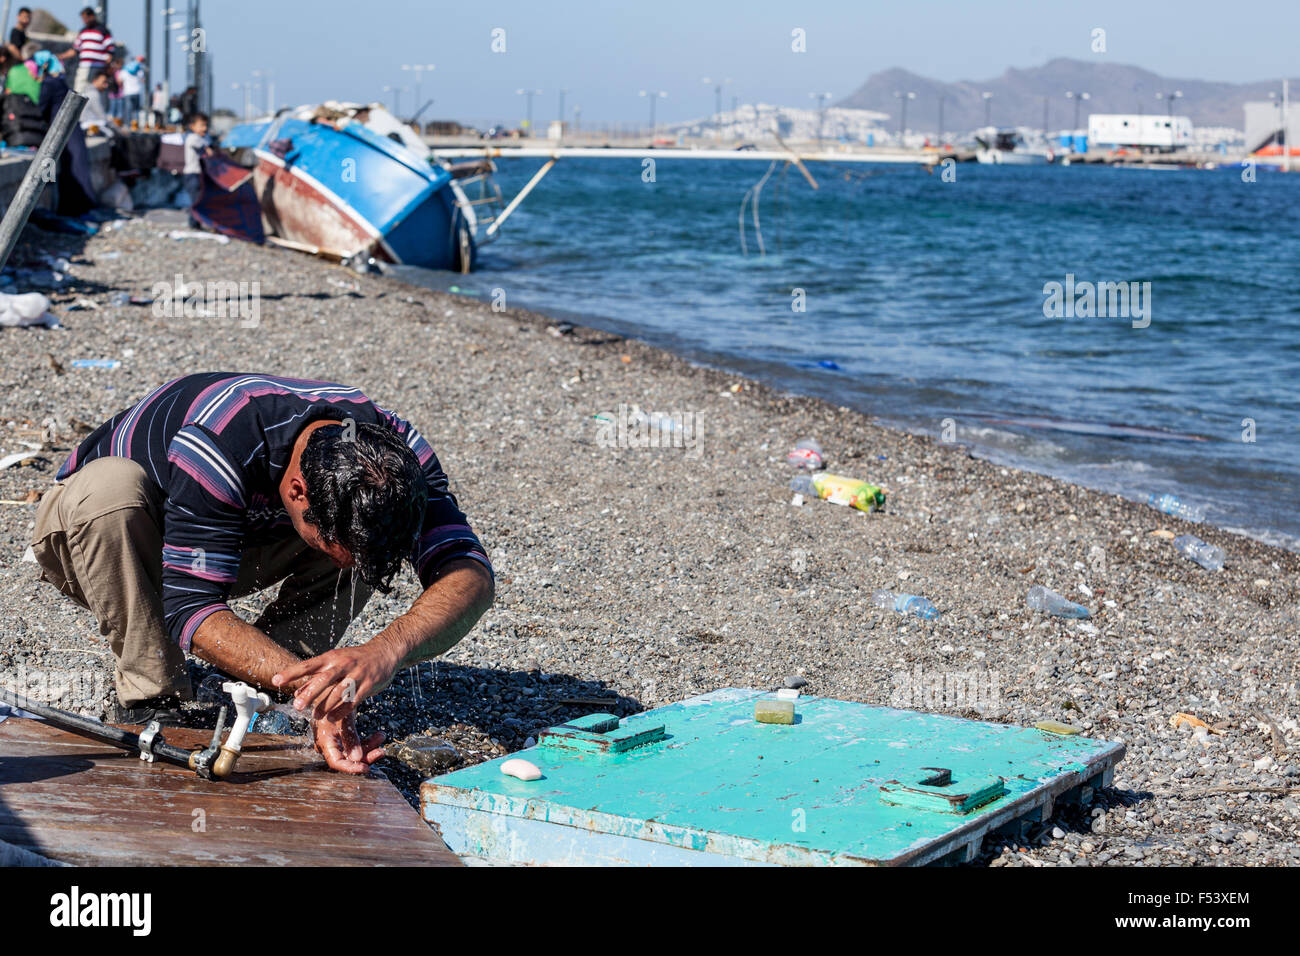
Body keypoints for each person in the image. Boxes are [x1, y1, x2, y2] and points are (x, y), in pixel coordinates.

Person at [30, 374, 494, 774]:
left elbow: (471, 574)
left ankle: (267, 683)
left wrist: (386, 651)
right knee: (113, 491)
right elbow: (190, 606)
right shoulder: (220, 438)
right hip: (102, 538)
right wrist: (321, 700)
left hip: (235, 535)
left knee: (359, 547)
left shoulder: (397, 456)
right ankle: (151, 692)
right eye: (334, 549)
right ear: (296, 489)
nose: (349, 573)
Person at [59, 6, 114, 95]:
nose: (84, 21)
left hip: (98, 68)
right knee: (79, 90)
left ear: (92, 16)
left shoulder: (103, 31)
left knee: (95, 93)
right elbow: (75, 50)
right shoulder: (83, 31)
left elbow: (110, 51)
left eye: (86, 18)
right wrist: (60, 56)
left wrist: (106, 70)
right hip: (84, 67)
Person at [182, 110, 210, 218]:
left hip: (197, 174)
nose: (204, 128)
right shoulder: (193, 138)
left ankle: (197, 221)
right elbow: (206, 149)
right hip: (192, 174)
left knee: (198, 199)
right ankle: (194, 222)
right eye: (201, 125)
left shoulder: (200, 138)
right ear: (192, 126)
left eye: (206, 125)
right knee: (196, 200)